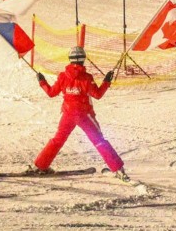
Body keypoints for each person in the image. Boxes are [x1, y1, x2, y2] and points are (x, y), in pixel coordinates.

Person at [34, 46, 130, 182]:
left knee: (58, 140)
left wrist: (42, 81)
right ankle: (117, 168)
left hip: (67, 114)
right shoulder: (86, 78)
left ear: (70, 59)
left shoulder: (62, 76)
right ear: (83, 60)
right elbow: (97, 94)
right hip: (84, 116)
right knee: (99, 140)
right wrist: (106, 82)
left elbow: (51, 93)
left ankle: (41, 165)